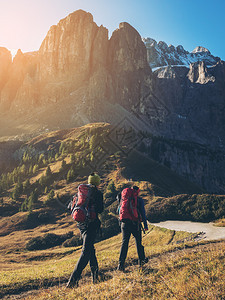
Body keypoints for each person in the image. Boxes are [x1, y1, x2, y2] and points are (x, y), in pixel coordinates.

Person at [66, 172, 104, 288]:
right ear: (97, 182)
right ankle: (72, 281)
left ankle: (96, 276)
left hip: (81, 224)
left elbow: (69, 206)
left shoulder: (81, 191)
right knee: (86, 251)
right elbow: (100, 209)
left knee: (90, 249)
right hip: (91, 225)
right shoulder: (97, 193)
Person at [117, 186, 148, 271]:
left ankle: (120, 265)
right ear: (137, 192)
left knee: (124, 243)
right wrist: (145, 225)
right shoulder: (139, 200)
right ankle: (141, 262)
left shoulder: (123, 199)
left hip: (124, 223)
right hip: (135, 224)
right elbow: (143, 213)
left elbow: (118, 210)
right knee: (138, 242)